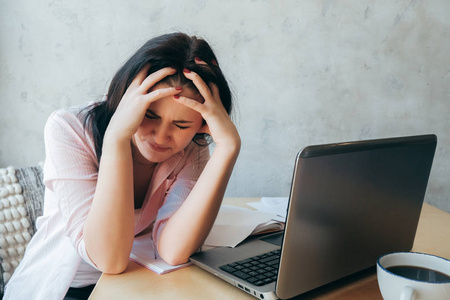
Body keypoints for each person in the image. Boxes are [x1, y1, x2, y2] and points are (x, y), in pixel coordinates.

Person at [5, 32, 240, 300]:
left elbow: (174, 251)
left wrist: (228, 147)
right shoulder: (68, 128)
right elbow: (109, 260)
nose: (162, 137)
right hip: (67, 286)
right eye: (150, 115)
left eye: (181, 125)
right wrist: (117, 137)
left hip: (139, 281)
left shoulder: (191, 146)